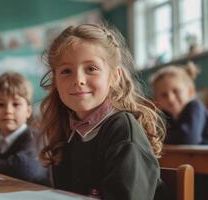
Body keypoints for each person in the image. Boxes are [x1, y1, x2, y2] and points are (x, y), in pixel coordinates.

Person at [39, 24, 167, 199]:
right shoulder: (69, 131)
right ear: (55, 80)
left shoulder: (122, 129)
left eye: (91, 69)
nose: (78, 80)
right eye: (66, 71)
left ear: (114, 77)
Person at [150, 62, 208, 144]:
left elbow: (188, 139)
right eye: (164, 95)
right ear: (157, 100)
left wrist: (160, 138)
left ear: (190, 91)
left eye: (176, 91)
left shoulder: (195, 106)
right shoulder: (167, 116)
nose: (170, 98)